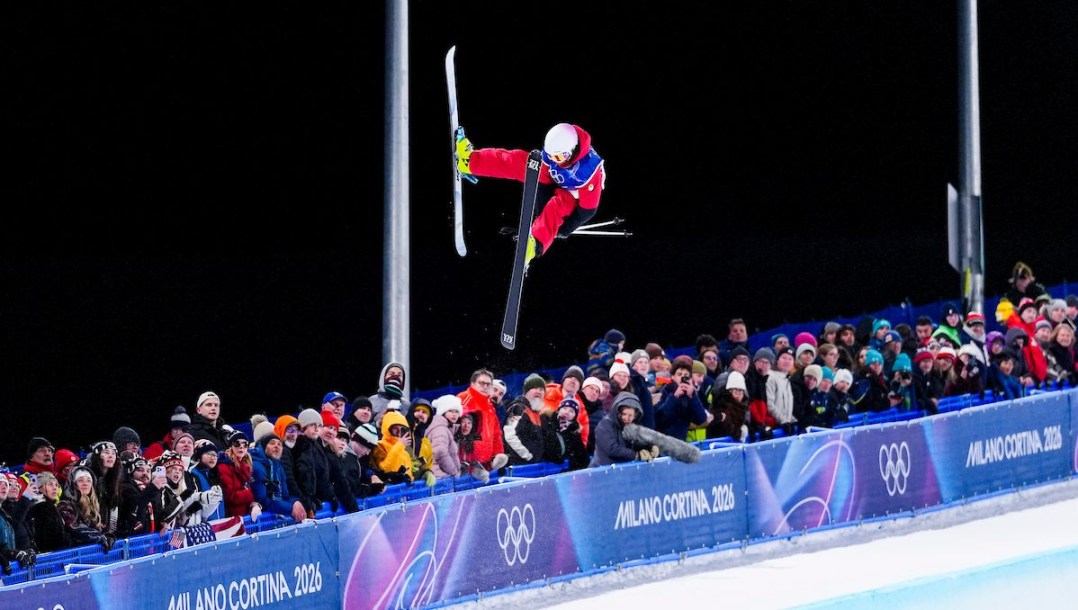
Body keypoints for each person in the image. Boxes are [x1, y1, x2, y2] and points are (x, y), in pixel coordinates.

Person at [456, 122, 605, 263]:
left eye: (559, 157)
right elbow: (545, 176)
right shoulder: (554, 153)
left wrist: (567, 228)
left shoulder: (589, 171)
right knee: (516, 160)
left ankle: (534, 245)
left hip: (573, 194)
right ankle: (470, 162)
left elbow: (588, 210)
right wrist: (539, 208)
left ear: (572, 151)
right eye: (551, 155)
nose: (555, 160)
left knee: (558, 205)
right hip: (553, 177)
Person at [249, 429, 307, 523]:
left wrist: (295, 502)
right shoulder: (257, 467)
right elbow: (262, 500)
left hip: (275, 516)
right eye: (272, 443)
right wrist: (290, 508)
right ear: (264, 447)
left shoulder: (278, 466)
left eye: (279, 444)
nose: (276, 446)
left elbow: (285, 495)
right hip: (260, 522)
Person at [457, 368, 508, 471]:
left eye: (488, 384)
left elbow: (496, 434)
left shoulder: (490, 407)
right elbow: (453, 432)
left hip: (485, 465)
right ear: (473, 383)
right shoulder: (463, 399)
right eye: (481, 383)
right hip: (466, 466)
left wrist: (497, 455)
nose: (485, 387)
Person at [590, 392, 656, 466]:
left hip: (624, 470)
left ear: (635, 416)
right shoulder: (605, 425)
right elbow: (612, 449)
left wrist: (649, 449)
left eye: (630, 415)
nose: (626, 418)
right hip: (603, 470)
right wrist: (636, 455)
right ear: (618, 412)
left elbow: (639, 443)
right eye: (624, 414)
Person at [118, 454, 167, 538]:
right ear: (131, 471)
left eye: (148, 471)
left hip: (151, 539)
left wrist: (162, 523)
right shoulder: (125, 487)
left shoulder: (153, 489)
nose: (145, 473)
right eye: (140, 470)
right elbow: (135, 506)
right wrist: (153, 488)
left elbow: (156, 512)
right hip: (132, 540)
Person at [216, 430, 261, 520]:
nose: (241, 447)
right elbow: (231, 497)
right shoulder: (224, 467)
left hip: (245, 516)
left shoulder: (246, 466)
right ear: (230, 447)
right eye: (237, 443)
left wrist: (254, 504)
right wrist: (250, 494)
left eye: (245, 444)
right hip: (232, 518)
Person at [427, 395, 463, 479]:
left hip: (439, 475)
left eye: (456, 411)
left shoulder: (445, 427)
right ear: (443, 412)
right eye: (450, 411)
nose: (454, 414)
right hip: (440, 477)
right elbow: (440, 452)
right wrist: (454, 472)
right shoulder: (440, 429)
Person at [370, 362, 412, 426]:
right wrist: (378, 424)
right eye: (391, 374)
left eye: (399, 375)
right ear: (383, 377)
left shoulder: (407, 405)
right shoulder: (372, 401)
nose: (395, 377)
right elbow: (361, 428)